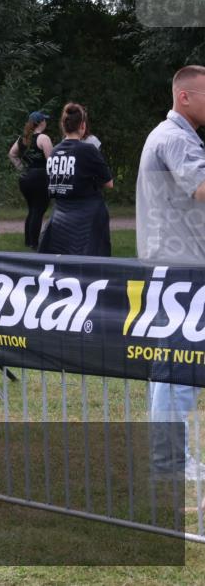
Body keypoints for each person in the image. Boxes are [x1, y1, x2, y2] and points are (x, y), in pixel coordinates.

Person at [139, 65, 205, 480]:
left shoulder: (174, 136)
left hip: (176, 268)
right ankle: (171, 463)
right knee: (176, 368)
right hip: (181, 273)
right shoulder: (177, 139)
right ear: (184, 97)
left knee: (172, 367)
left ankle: (171, 458)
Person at [37, 103, 114, 256]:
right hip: (87, 217)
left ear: (63, 126)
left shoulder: (54, 152)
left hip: (59, 216)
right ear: (83, 126)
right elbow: (109, 183)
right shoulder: (88, 150)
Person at [9, 111, 54, 249]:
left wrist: (22, 169)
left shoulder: (24, 138)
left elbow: (12, 154)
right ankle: (34, 243)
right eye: (45, 120)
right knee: (38, 209)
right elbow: (52, 161)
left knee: (32, 209)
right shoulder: (44, 138)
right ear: (41, 122)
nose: (46, 122)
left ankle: (28, 241)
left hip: (25, 178)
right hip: (40, 177)